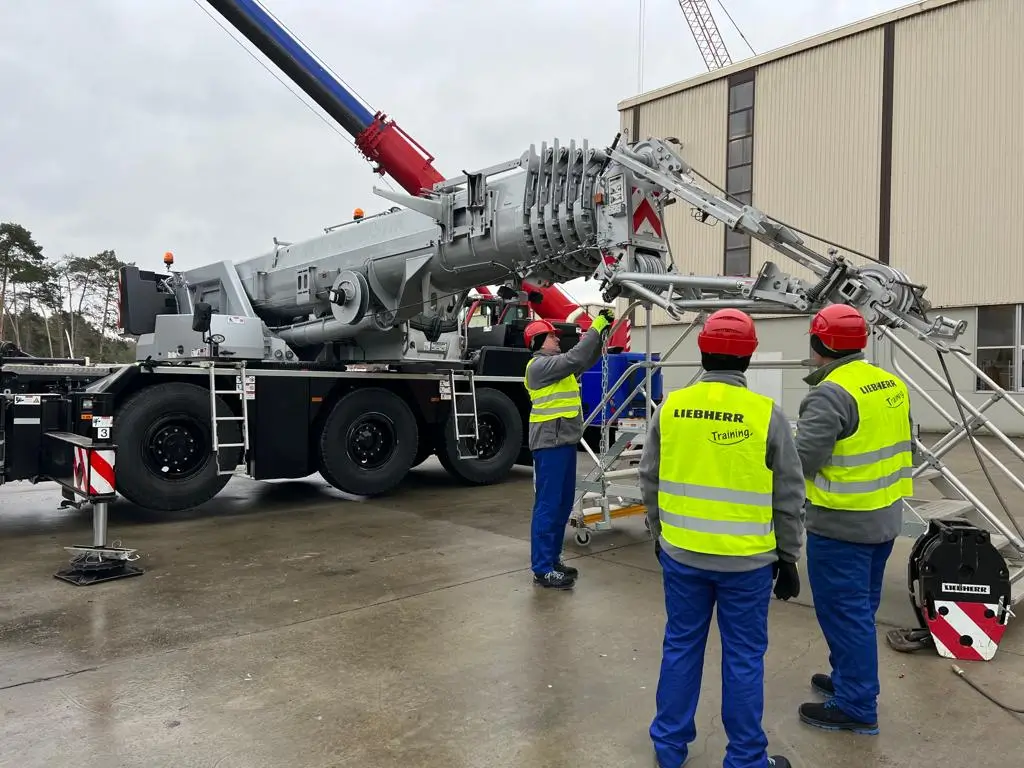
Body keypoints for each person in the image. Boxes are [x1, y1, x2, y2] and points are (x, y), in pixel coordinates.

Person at [638, 308, 805, 768]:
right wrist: (788, 557)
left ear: (702, 351)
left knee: (681, 647)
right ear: (749, 357)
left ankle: (669, 749)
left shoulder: (671, 407)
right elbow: (789, 494)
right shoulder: (767, 415)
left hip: (683, 556)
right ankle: (747, 758)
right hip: (747, 564)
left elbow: (648, 479)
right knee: (744, 659)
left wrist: (659, 533)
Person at [794, 303, 913, 735]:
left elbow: (802, 463)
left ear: (819, 343)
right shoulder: (889, 383)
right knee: (861, 609)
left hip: (842, 526)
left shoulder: (829, 394)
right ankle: (848, 679)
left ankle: (857, 704)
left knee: (846, 615)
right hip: (882, 520)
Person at [523, 308, 614, 589]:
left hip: (563, 441)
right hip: (550, 443)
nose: (557, 339)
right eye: (551, 336)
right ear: (538, 341)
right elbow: (576, 357)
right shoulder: (538, 366)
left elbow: (584, 358)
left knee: (561, 505)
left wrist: (600, 337)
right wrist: (596, 326)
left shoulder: (557, 366)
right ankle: (542, 569)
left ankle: (553, 561)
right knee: (548, 506)